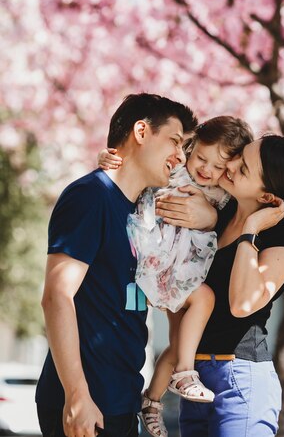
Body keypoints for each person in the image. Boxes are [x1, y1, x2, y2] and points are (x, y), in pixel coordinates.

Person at [35, 93, 198, 437]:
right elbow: (56, 296)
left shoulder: (144, 213)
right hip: (86, 404)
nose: (180, 156)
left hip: (121, 402)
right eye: (173, 140)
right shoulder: (91, 195)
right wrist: (77, 395)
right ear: (141, 131)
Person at [155, 134, 284, 437]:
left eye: (244, 168)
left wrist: (251, 231)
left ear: (267, 198)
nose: (230, 166)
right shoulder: (219, 210)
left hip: (239, 378)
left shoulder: (282, 239)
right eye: (239, 156)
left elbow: (242, 303)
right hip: (193, 379)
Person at [98, 116, 254, 437]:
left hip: (185, 268)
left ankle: (152, 401)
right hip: (161, 261)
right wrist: (109, 160)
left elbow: (244, 203)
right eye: (201, 158)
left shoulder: (222, 193)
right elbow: (134, 167)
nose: (206, 170)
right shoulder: (173, 169)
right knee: (205, 299)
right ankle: (184, 372)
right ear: (190, 147)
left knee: (181, 341)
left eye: (218, 166)